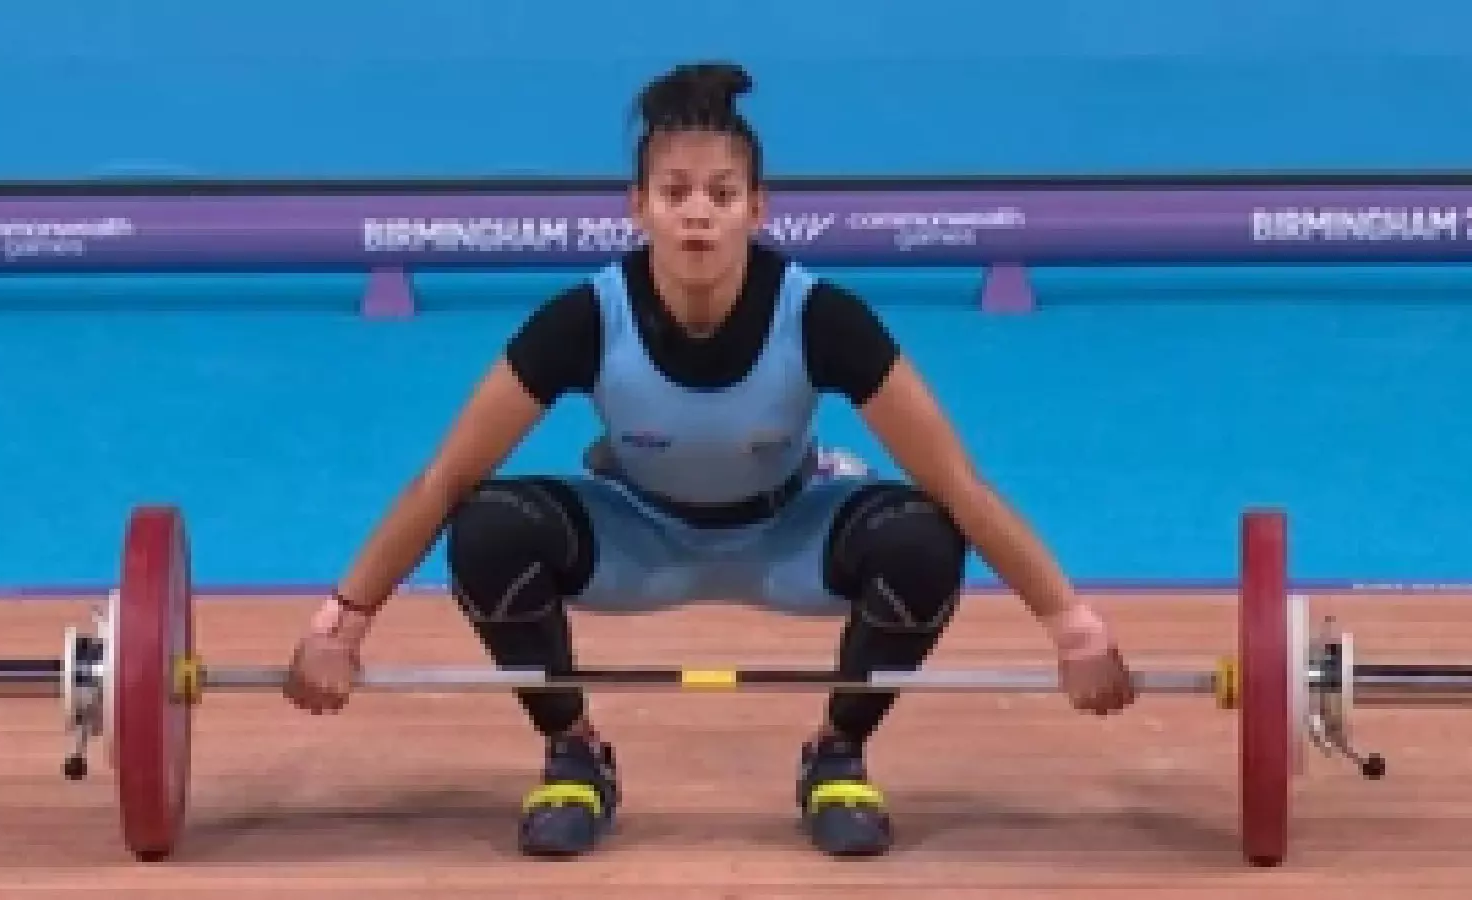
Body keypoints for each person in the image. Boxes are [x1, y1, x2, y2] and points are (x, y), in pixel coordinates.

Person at [282, 61, 1136, 858]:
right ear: (638, 207)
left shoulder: (822, 319)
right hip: (638, 535)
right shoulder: (585, 320)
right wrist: (340, 626)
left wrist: (1075, 631)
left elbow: (960, 484)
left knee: (924, 535)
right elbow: (445, 478)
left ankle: (838, 754)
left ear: (758, 210)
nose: (698, 213)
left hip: (789, 537)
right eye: (675, 192)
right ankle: (573, 753)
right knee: (488, 529)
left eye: (722, 194)